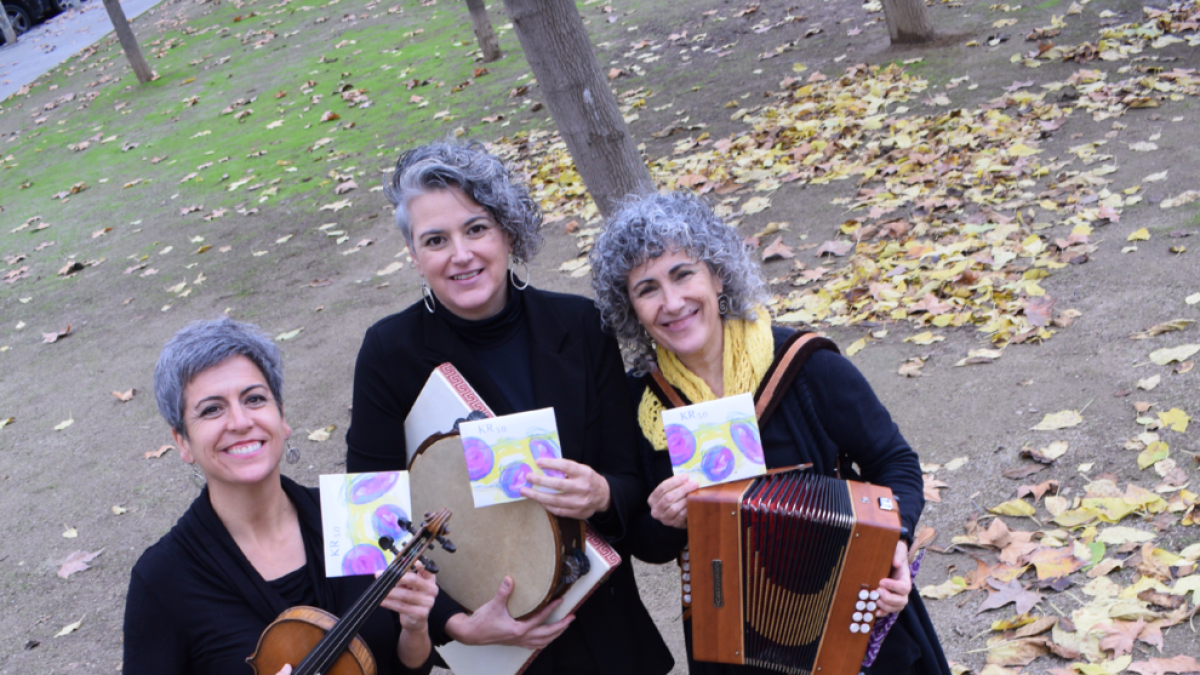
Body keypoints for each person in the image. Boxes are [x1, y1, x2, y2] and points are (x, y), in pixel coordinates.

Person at [588, 191, 951, 675]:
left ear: (717, 275)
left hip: (851, 612)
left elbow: (895, 462)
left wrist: (896, 542)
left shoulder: (806, 366)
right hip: (732, 640)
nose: (671, 303)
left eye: (683, 274)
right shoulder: (643, 405)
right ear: (631, 308)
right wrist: (663, 519)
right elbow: (650, 546)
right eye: (647, 289)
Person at [345, 141, 673, 675]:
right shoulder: (389, 353)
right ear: (414, 255)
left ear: (507, 232)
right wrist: (454, 623)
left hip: (605, 639)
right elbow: (369, 519)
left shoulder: (582, 327)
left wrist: (603, 492)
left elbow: (633, 478)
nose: (460, 254)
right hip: (487, 656)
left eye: (476, 228)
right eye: (435, 239)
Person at [123, 318, 438, 675]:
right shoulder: (162, 580)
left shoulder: (358, 516)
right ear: (182, 442)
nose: (240, 421)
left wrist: (414, 629)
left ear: (282, 416)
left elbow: (405, 668)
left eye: (254, 399)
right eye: (212, 409)